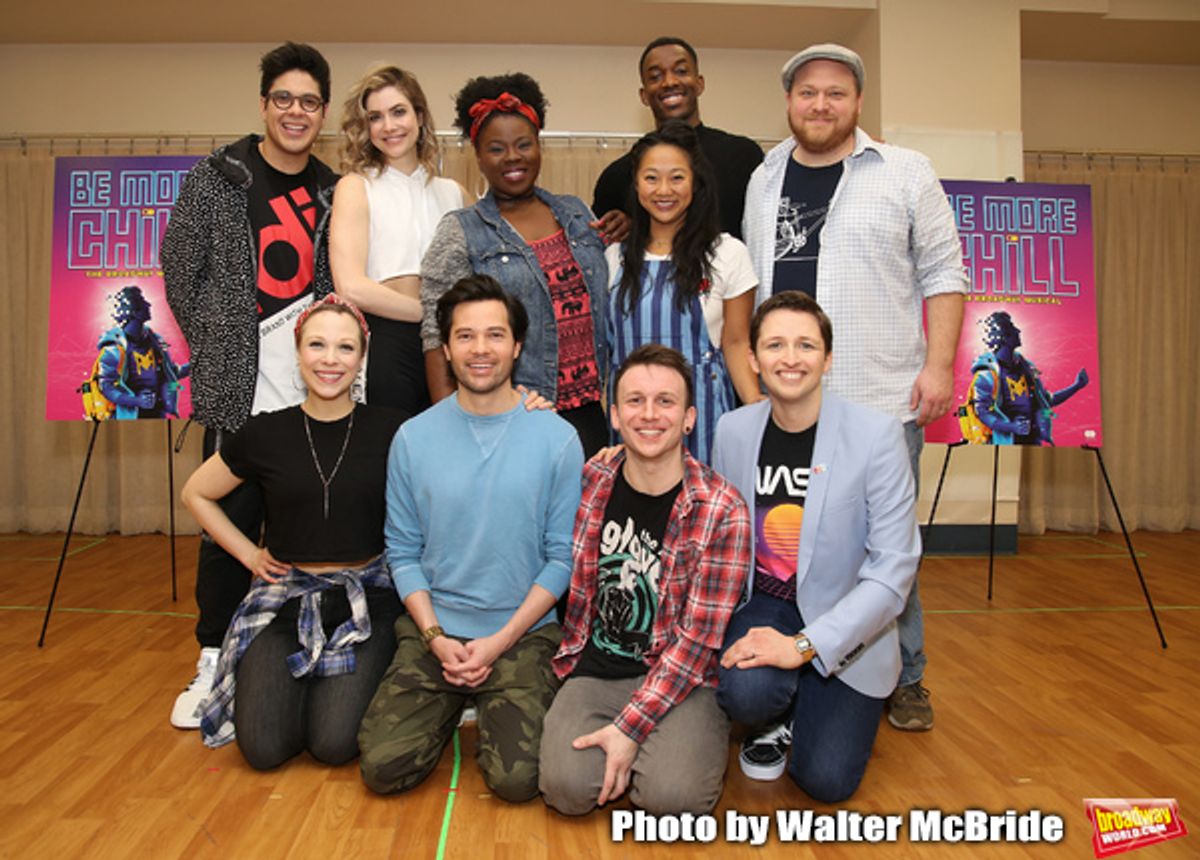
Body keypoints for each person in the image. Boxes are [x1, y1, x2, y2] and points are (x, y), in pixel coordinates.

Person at [742, 42, 967, 731]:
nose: (820, 104)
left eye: (835, 93)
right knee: (785, 543)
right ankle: (794, 665)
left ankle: (904, 675)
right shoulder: (764, 177)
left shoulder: (904, 171)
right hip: (784, 400)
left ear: (858, 102)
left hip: (878, 392)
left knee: (883, 543)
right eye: (807, 92)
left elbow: (945, 272)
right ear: (789, 102)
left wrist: (938, 366)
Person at [162, 42, 339, 730]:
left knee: (306, 522)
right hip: (242, 383)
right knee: (228, 525)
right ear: (264, 104)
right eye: (284, 99)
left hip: (313, 382)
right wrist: (219, 341)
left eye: (310, 101)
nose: (296, 112)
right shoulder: (218, 177)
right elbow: (180, 268)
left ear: (323, 112)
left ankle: (296, 647)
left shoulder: (333, 187)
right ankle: (212, 655)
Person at [358, 275, 583, 802]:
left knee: (517, 782)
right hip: (434, 631)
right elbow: (403, 552)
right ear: (447, 346)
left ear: (517, 345)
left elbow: (560, 559)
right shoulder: (414, 438)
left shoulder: (557, 438)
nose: (481, 350)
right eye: (465, 336)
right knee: (383, 768)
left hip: (521, 634)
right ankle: (453, 699)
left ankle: (487, 696)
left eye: (495, 335)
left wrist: (497, 644)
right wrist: (436, 637)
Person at [181, 296, 404, 770]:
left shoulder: (393, 430)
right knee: (263, 749)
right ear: (298, 351)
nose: (330, 359)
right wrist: (248, 555)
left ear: (361, 358)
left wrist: (525, 404)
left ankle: (330, 691)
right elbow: (196, 494)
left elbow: (464, 436)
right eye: (317, 345)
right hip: (283, 604)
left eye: (345, 348)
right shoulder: (264, 433)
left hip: (366, 604)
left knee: (333, 744)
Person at [713, 292, 919, 801]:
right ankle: (774, 714)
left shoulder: (877, 436)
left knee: (824, 781)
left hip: (848, 622)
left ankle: (805, 694)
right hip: (765, 604)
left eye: (806, 345)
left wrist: (802, 648)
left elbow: (893, 574)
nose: (790, 358)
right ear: (754, 360)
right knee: (745, 691)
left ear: (827, 358)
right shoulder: (733, 430)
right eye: (775, 345)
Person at [539, 344, 751, 815]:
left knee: (673, 801)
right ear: (614, 414)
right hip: (598, 668)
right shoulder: (592, 478)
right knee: (567, 791)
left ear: (690, 417)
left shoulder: (721, 510)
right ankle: (630, 754)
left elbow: (698, 642)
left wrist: (630, 727)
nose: (650, 415)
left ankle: (650, 749)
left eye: (666, 401)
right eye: (635, 401)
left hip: (681, 677)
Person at [420, 73, 610, 457]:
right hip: (513, 416)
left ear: (539, 147)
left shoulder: (576, 212)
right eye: (496, 148)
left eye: (524, 144)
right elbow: (435, 334)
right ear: (478, 157)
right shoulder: (460, 230)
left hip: (592, 415)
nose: (512, 157)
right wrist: (451, 430)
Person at [606, 122, 759, 465]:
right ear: (635, 184)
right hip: (632, 422)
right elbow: (607, 350)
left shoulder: (727, 253)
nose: (664, 190)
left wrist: (758, 409)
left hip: (703, 418)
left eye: (677, 177)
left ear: (695, 182)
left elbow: (736, 343)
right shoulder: (613, 258)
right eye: (651, 178)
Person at [330, 65, 468, 416]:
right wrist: (431, 315)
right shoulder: (356, 186)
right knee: (388, 450)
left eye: (399, 112)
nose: (389, 126)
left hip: (448, 344)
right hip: (386, 339)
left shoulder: (454, 193)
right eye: (375, 117)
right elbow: (350, 287)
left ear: (419, 116)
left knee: (448, 451)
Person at [593, 36, 763, 240]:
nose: (669, 82)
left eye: (681, 71)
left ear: (700, 84)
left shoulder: (743, 156)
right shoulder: (617, 176)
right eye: (655, 76)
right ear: (644, 95)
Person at [961, 310, 1089, 446]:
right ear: (1004, 336)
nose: (1018, 331)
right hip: (1002, 445)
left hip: (1033, 444)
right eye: (1012, 327)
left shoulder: (1027, 369)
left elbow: (1045, 401)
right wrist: (1011, 427)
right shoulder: (987, 375)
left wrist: (1077, 386)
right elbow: (982, 413)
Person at [91, 285, 189, 419]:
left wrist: (196, 365)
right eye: (143, 301)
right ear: (134, 312)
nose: (148, 304)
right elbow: (106, 387)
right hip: (128, 418)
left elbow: (171, 373)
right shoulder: (113, 349)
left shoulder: (157, 341)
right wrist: (136, 401)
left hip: (158, 416)